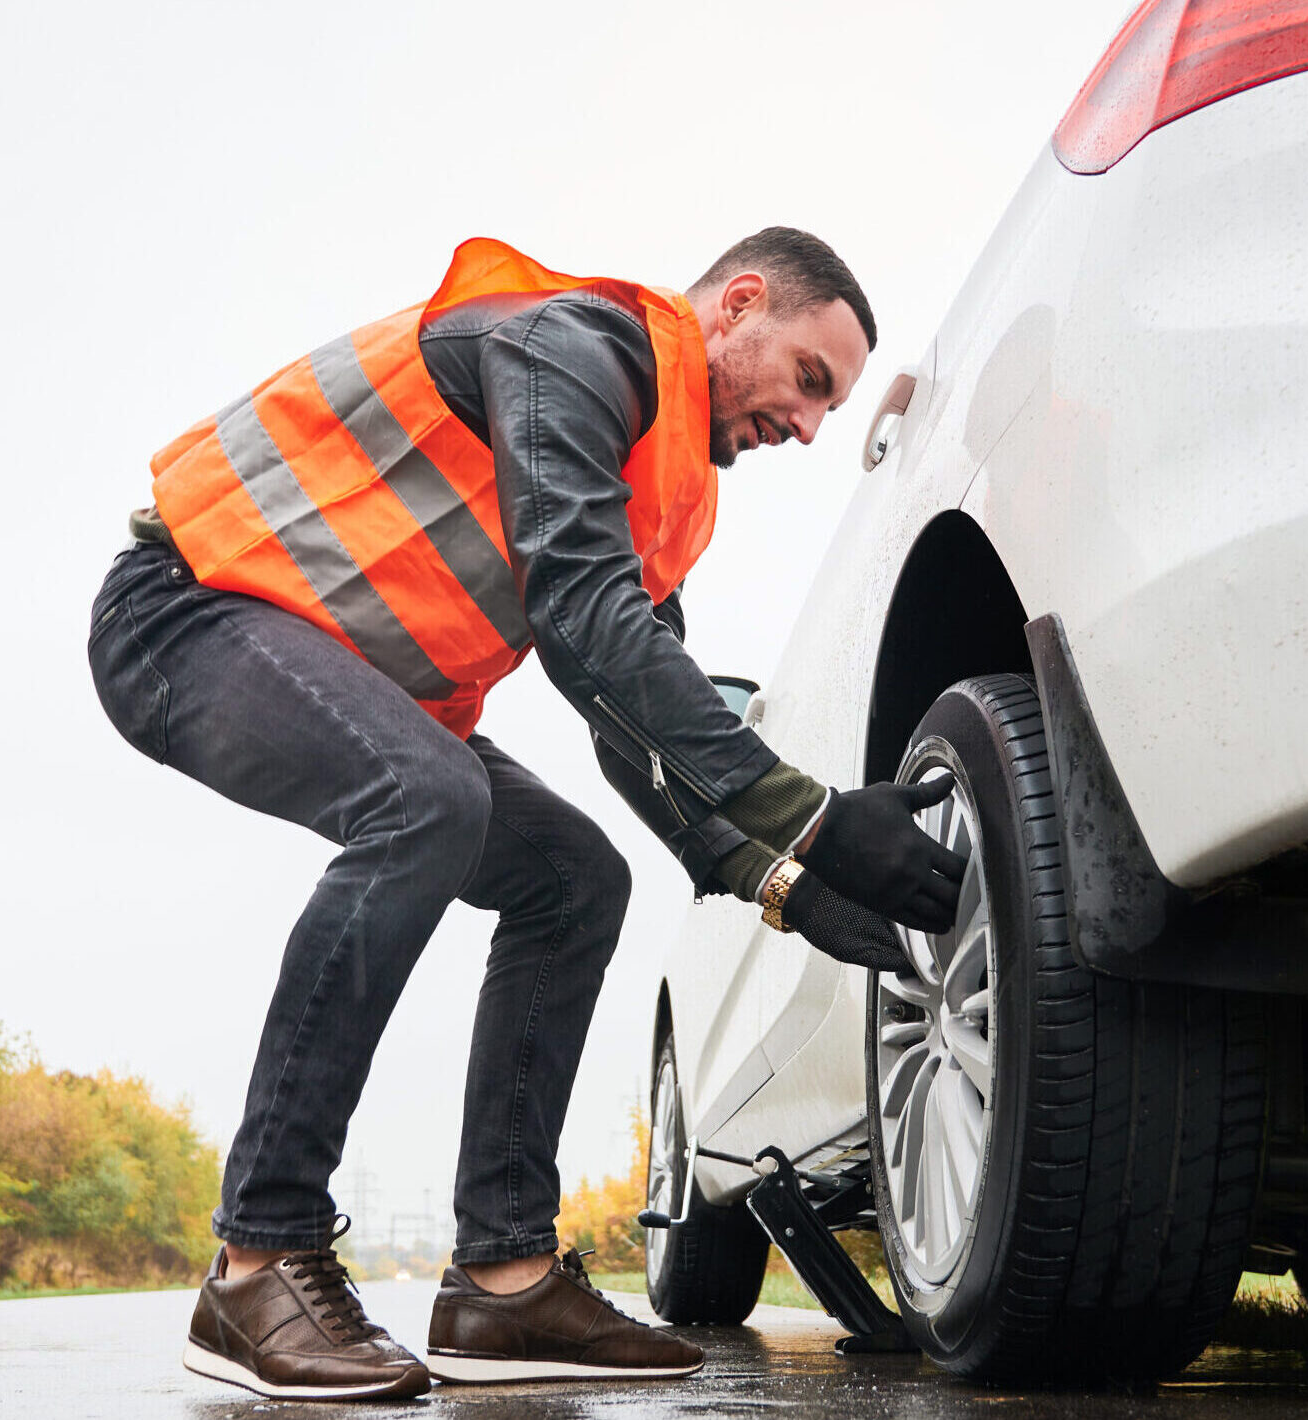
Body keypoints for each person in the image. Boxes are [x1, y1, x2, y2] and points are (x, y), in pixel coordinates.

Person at [86, 228, 966, 1401]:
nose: (808, 427)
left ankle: (501, 1287)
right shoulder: (577, 347)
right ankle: (257, 1259)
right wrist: (813, 818)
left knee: (573, 877)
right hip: (183, 610)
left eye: (827, 405)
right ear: (738, 303)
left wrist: (790, 884)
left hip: (336, 672)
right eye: (808, 380)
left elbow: (635, 725)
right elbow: (582, 621)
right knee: (426, 799)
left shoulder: (657, 489)